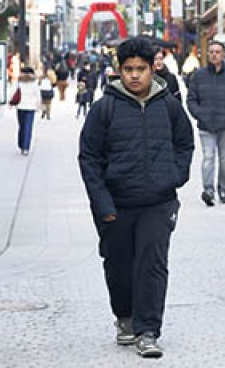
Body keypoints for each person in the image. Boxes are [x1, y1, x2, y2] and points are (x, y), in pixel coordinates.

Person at [78, 36, 195, 359]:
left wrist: (176, 176)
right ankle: (125, 317)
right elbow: (89, 158)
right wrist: (102, 204)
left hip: (158, 203)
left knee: (152, 265)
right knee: (119, 267)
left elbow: (185, 143)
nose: (134, 75)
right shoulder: (105, 109)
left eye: (140, 69)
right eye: (128, 69)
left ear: (151, 69)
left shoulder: (169, 105)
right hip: (116, 204)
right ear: (119, 71)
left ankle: (148, 331)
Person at [185, 41, 225, 207]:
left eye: (217, 52)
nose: (214, 55)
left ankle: (223, 189)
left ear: (223, 54)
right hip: (206, 125)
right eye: (211, 51)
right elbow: (191, 99)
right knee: (208, 158)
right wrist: (200, 114)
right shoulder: (198, 76)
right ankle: (209, 190)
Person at [14, 68, 39, 155]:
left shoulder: (19, 82)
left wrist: (11, 102)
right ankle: (26, 147)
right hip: (31, 107)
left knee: (21, 126)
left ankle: (21, 143)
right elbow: (38, 95)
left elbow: (14, 93)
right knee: (28, 127)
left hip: (20, 107)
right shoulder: (34, 83)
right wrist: (38, 105)